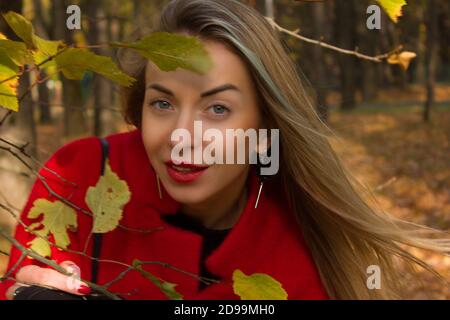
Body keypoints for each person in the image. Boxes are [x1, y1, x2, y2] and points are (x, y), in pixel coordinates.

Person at [0, 0, 448, 300]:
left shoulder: (304, 253)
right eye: (163, 102)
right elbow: (21, 282)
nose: (183, 134)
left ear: (265, 123)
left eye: (218, 107)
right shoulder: (79, 176)